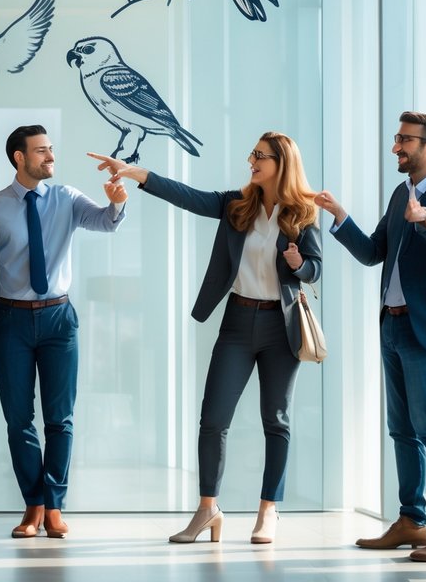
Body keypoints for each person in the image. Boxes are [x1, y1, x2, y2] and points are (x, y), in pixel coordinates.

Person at [91, 131, 320, 546]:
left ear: (281, 164)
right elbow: (186, 195)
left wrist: (300, 263)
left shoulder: (302, 212)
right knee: (213, 419)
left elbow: (315, 270)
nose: (252, 161)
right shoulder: (237, 203)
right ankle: (208, 509)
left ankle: (269, 510)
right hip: (237, 320)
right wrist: (135, 173)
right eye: (252, 153)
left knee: (276, 419)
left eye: (260, 156)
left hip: (279, 325)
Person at [314, 113, 426, 562]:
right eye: (397, 138)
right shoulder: (399, 193)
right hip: (392, 322)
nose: (396, 147)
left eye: (405, 140)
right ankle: (411, 521)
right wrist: (340, 215)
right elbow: (373, 253)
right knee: (401, 429)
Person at [0, 125, 127, 539]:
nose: (50, 157)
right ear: (18, 158)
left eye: (50, 150)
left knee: (60, 418)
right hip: (11, 320)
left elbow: (104, 222)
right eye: (41, 151)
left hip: (59, 319)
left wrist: (116, 205)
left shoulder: (66, 198)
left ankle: (55, 506)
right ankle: (34, 505)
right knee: (18, 418)